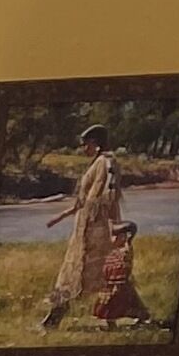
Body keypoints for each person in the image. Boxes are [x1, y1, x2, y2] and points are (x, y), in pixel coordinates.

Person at [39, 123, 143, 331]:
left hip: (98, 229)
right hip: (86, 228)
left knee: (102, 274)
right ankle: (138, 313)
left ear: (95, 143)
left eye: (85, 144)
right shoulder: (96, 163)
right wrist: (61, 215)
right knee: (86, 272)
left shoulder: (107, 162)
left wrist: (112, 225)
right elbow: (83, 200)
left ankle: (53, 319)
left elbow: (108, 196)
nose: (83, 149)